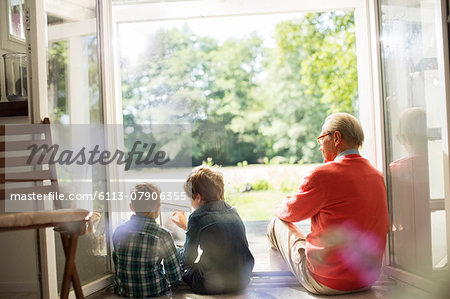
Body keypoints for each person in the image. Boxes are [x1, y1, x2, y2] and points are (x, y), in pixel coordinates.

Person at [267, 112, 389, 295]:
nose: (320, 146)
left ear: (337, 138)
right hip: (367, 279)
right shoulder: (376, 175)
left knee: (275, 224)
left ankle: (278, 292)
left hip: (328, 281)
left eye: (322, 138)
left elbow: (290, 212)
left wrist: (281, 204)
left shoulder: (323, 175)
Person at [171, 166, 255, 294]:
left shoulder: (196, 217)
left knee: (181, 264)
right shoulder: (232, 210)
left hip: (212, 284)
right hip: (242, 279)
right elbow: (217, 233)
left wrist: (176, 251)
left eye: (190, 198)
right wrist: (187, 227)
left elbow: (188, 258)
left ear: (198, 197)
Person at [112, 183, 182, 298]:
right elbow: (174, 275)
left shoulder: (119, 231)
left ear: (131, 207)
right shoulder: (163, 234)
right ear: (158, 207)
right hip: (154, 292)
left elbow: (117, 261)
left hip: (123, 293)